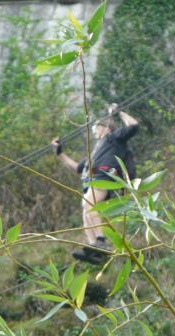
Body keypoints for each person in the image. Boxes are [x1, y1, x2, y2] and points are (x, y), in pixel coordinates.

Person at [51, 103, 139, 264]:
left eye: (97, 128)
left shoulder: (114, 139)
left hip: (104, 177)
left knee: (88, 204)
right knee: (85, 211)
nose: (95, 131)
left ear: (107, 128)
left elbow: (133, 126)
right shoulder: (95, 152)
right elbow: (77, 167)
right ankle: (94, 248)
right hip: (93, 179)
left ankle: (101, 241)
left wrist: (119, 113)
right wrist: (60, 153)